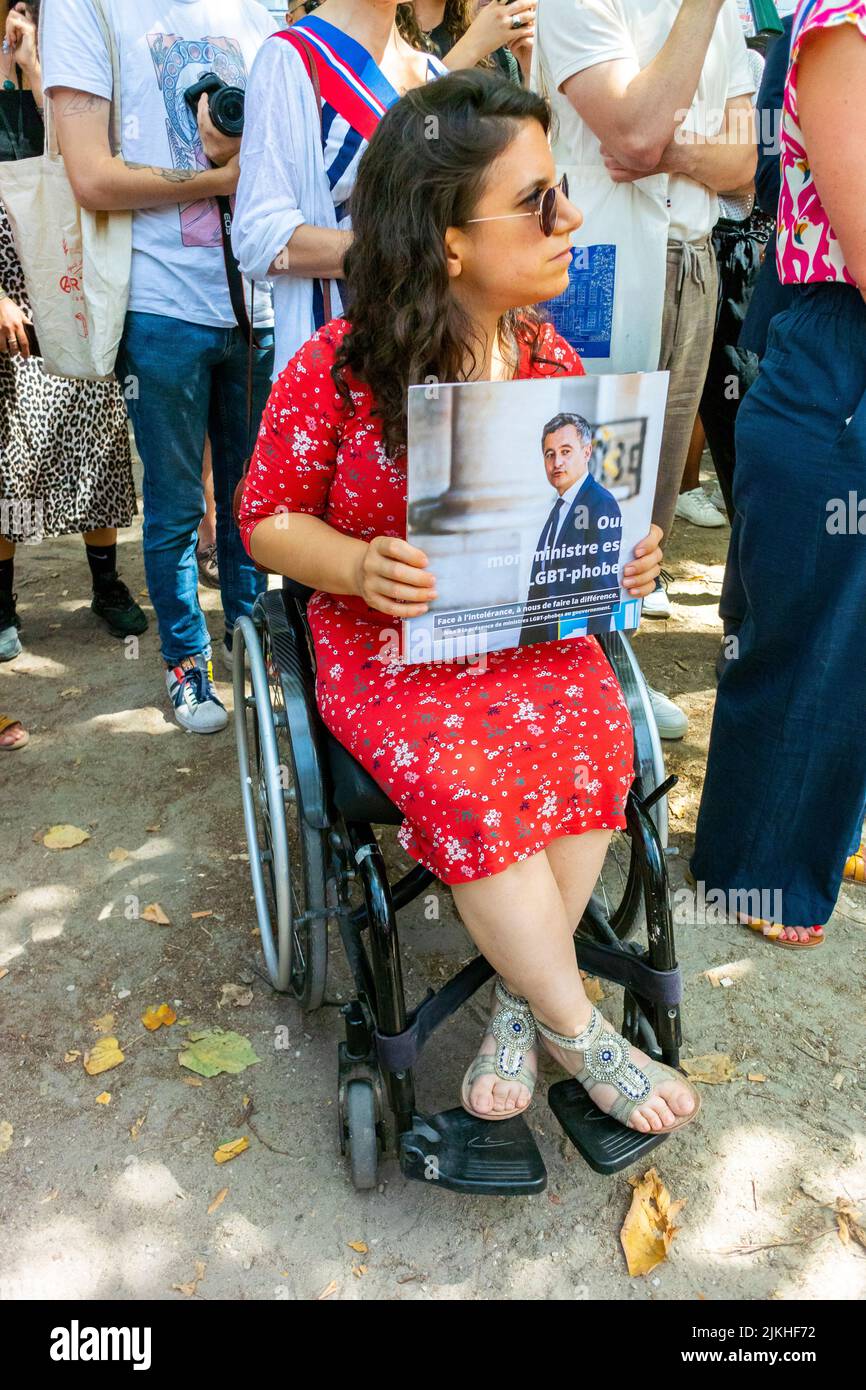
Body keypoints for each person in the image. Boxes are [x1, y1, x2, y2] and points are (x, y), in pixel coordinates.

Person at [240, 71, 699, 1136]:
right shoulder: (339, 371)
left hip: (524, 632)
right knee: (471, 778)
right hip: (390, 646)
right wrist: (354, 567)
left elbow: (589, 515)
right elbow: (264, 518)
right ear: (448, 238)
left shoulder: (547, 357)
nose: (568, 219)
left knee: (597, 737)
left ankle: (517, 995)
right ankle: (582, 1031)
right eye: (538, 200)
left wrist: (627, 554)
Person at [41, 0, 278, 733]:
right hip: (160, 303)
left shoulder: (261, 6)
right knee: (176, 507)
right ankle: (188, 665)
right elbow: (92, 176)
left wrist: (243, 155)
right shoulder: (83, 6)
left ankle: (254, 648)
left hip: (261, 303)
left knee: (255, 504)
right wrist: (220, 176)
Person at [691, 0, 866, 947]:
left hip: (833, 344)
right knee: (811, 629)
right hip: (839, 343)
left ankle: (828, 827)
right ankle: (760, 870)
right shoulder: (843, 22)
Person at [534, 0, 758, 739]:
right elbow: (630, 128)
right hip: (599, 262)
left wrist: (674, 152)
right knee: (579, 477)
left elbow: (744, 166)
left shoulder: (722, 15)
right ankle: (559, 675)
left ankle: (612, 664)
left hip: (694, 260)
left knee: (650, 492)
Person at [0, 0, 144, 663]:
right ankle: (4, 601)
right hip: (7, 286)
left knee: (93, 427)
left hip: (61, 274)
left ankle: (107, 586)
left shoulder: (47, 61)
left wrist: (31, 63)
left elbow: (65, 149)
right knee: (13, 458)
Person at [233, 0, 447, 382]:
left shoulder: (435, 75)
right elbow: (259, 236)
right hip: (340, 370)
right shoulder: (292, 59)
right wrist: (400, 254)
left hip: (433, 357)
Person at [519, 411, 623, 645]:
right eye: (550, 454)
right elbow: (541, 585)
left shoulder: (600, 503)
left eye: (566, 451)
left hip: (574, 643)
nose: (557, 463)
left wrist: (595, 647)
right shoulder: (559, 506)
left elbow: (603, 588)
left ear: (587, 452)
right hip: (542, 641)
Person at [400, 1, 536, 83]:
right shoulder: (389, 44)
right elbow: (408, 121)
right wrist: (473, 45)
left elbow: (512, 126)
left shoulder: (478, 32)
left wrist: (530, 70)